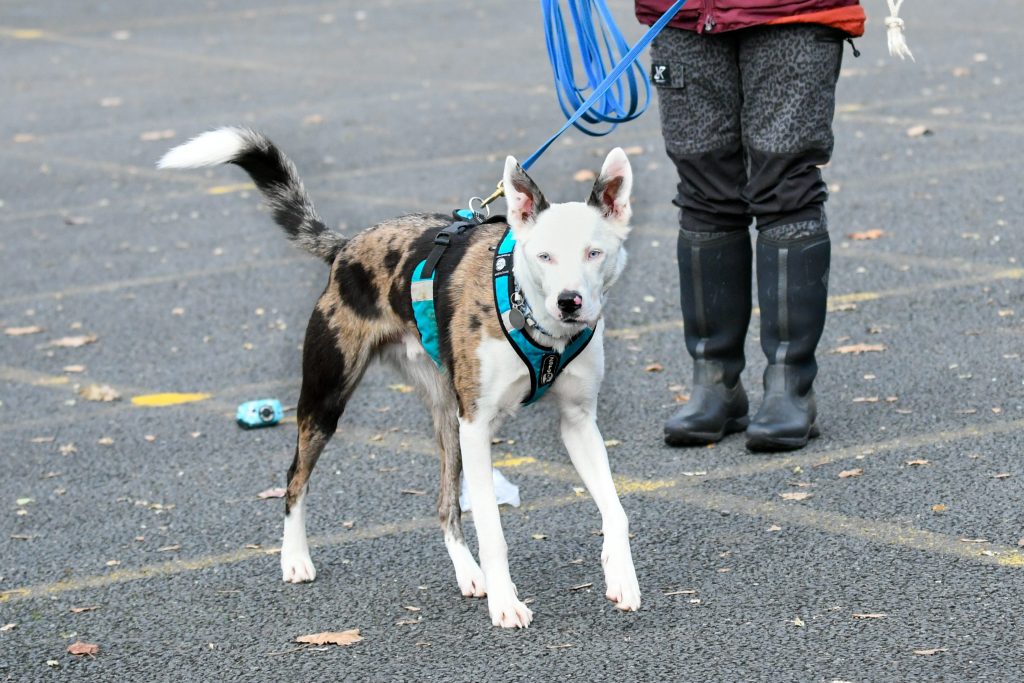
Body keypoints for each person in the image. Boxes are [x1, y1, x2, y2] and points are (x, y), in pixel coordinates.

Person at [636, 1, 910, 451]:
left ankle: (790, 386)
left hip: (791, 11)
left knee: (785, 182)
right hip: (681, 14)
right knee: (703, 186)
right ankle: (715, 384)